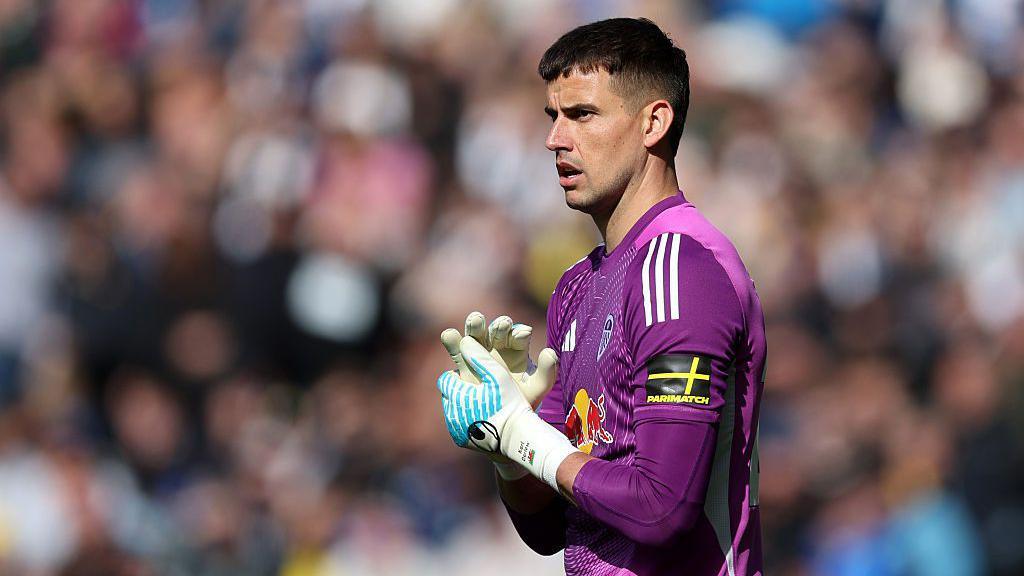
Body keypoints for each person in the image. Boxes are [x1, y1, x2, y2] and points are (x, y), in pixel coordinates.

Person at [435, 17, 766, 576]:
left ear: (653, 123)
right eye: (553, 117)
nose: (554, 139)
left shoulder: (679, 272)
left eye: (582, 114)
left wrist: (526, 436)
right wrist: (509, 451)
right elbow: (550, 531)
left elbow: (661, 506)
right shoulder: (575, 287)